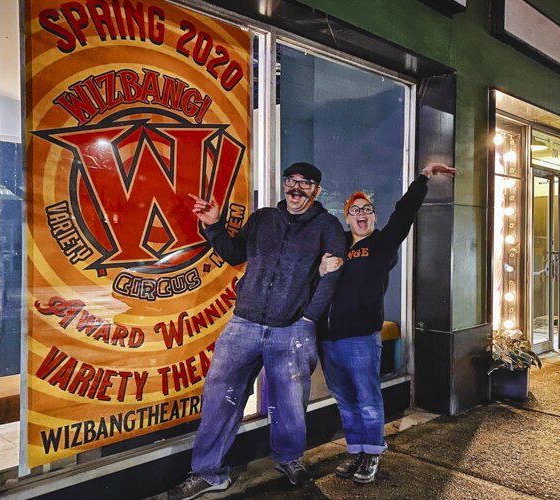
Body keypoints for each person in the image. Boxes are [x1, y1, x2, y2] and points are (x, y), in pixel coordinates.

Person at [168, 162, 346, 499]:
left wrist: (308, 319)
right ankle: (209, 473)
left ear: (316, 190)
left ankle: (289, 459)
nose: (295, 189)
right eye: (290, 181)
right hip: (244, 324)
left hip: (292, 329)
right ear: (283, 185)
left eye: (304, 184)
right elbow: (234, 254)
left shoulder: (328, 226)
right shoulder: (263, 218)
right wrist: (214, 225)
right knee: (220, 398)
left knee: (290, 403)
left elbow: (333, 274)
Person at [318, 162, 457, 484]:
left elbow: (404, 212)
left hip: (360, 337)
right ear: (346, 215)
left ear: (375, 216)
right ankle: (355, 451)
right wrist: (322, 270)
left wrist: (422, 177)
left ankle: (372, 454)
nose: (361, 214)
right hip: (327, 337)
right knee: (344, 399)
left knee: (366, 397)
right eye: (355, 210)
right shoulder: (334, 244)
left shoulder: (381, 244)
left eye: (367, 209)